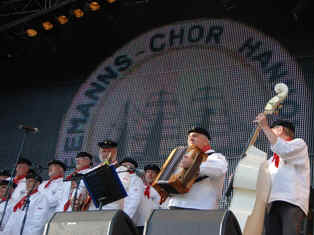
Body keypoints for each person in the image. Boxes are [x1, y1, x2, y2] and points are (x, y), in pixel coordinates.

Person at [254, 114, 310, 235]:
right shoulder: (270, 161)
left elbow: (283, 149)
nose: (269, 133)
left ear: (280, 129)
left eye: (272, 129)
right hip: (273, 204)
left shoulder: (299, 144)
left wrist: (265, 126)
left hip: (292, 201)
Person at [166, 127, 228, 210]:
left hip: (199, 207)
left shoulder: (215, 157)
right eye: (189, 137)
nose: (191, 138)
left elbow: (219, 169)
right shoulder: (181, 157)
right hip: (174, 204)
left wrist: (193, 165)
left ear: (206, 142)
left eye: (195, 136)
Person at [3, 170, 49, 235]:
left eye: (30, 181)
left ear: (37, 183)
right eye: (27, 181)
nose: (27, 184)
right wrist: (6, 232)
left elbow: (39, 222)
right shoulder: (21, 197)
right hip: (13, 231)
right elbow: (13, 216)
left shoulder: (42, 199)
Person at [134, 164, 161, 234]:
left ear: (157, 175)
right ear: (144, 174)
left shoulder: (161, 190)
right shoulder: (138, 188)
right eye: (148, 172)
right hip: (139, 223)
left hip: (155, 223)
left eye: (153, 172)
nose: (150, 174)